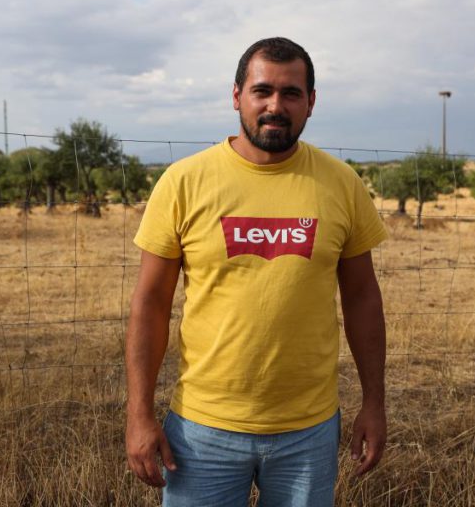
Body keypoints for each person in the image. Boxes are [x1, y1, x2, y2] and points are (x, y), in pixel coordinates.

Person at [125, 37, 387, 506]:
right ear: (236, 97)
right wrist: (139, 413)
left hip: (309, 433)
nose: (275, 106)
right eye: (262, 91)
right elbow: (150, 304)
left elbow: (363, 298)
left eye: (290, 93)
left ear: (311, 102)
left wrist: (374, 402)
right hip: (202, 431)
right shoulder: (184, 182)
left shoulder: (342, 184)